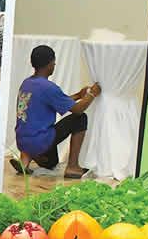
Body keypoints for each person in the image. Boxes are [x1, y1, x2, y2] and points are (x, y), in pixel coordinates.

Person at [12, 45, 100, 179]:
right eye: (54, 62)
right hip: (39, 141)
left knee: (52, 162)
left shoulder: (27, 83)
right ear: (49, 64)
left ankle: (26, 160)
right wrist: (92, 94)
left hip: (22, 141)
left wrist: (78, 95)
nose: (54, 65)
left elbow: (53, 102)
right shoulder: (48, 88)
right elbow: (78, 109)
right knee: (80, 118)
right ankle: (73, 167)